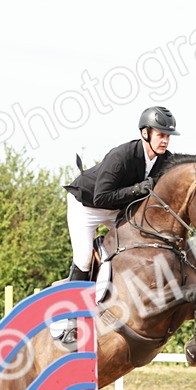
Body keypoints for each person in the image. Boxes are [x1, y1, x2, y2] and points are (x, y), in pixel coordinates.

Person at [63, 106, 179, 282]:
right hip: (87, 206)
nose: (165, 141)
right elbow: (101, 197)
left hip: (117, 210)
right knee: (84, 259)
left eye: (168, 136)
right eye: (160, 135)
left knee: (142, 244)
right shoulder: (121, 156)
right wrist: (136, 189)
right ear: (145, 134)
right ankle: (73, 302)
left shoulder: (165, 160)